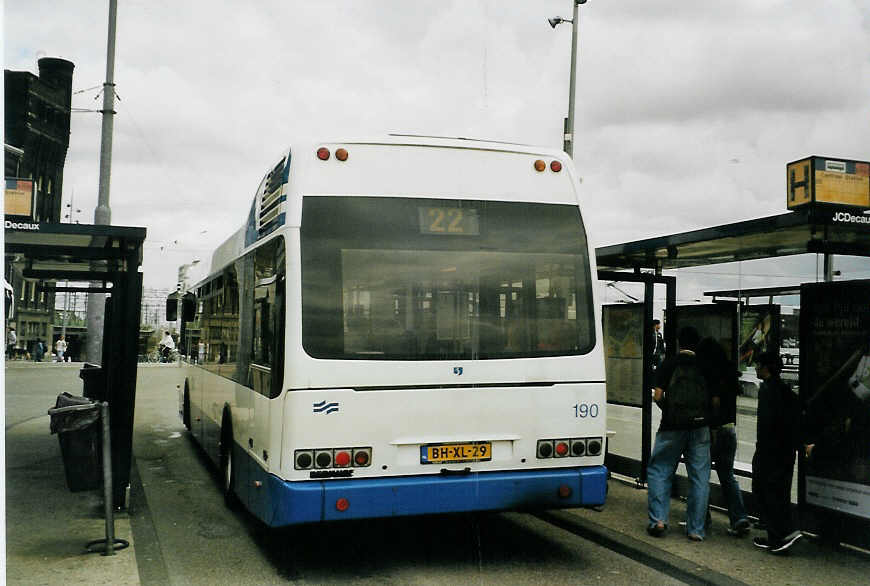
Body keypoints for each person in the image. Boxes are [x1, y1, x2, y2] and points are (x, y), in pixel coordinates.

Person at [647, 326, 715, 542]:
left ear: (679, 343)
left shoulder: (669, 363)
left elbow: (658, 396)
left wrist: (669, 410)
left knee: (660, 470)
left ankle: (658, 520)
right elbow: (714, 401)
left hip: (671, 426)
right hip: (700, 427)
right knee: (700, 477)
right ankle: (696, 529)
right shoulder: (705, 365)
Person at [697, 337, 751, 537]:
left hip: (713, 431)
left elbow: (715, 404)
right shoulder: (729, 374)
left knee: (702, 475)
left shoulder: (711, 376)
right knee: (727, 476)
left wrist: (710, 425)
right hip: (730, 430)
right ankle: (739, 518)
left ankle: (702, 518)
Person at [751, 351, 802, 554]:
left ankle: (783, 534)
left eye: (758, 364)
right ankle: (775, 537)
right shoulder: (783, 389)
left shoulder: (769, 390)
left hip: (771, 451)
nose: (755, 368)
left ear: (766, 367)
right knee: (776, 491)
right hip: (782, 451)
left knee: (768, 491)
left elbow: (770, 424)